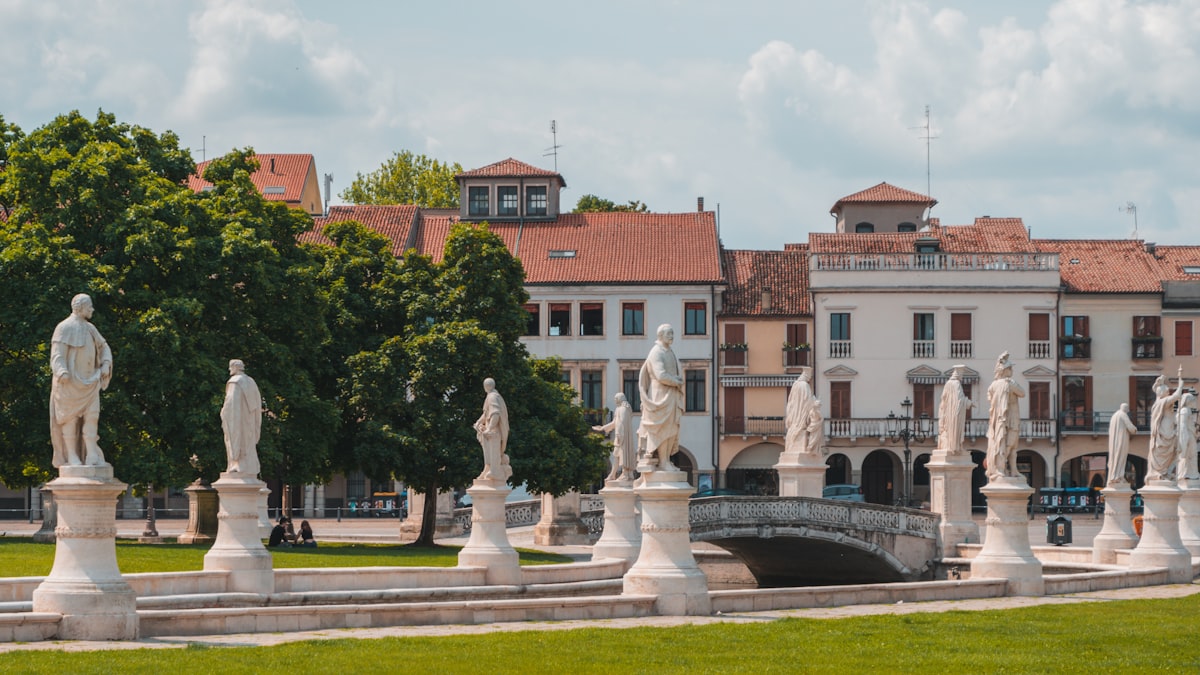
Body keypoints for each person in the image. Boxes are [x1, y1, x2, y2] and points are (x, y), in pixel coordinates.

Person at [49, 293, 113, 468]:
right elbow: (57, 355)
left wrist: (106, 363)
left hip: (90, 382)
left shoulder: (90, 328)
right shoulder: (64, 328)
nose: (92, 309)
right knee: (69, 419)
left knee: (92, 417)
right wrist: (61, 371)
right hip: (69, 384)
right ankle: (72, 456)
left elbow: (104, 346)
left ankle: (92, 454)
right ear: (81, 307)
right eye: (89, 306)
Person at [638, 324, 685, 470]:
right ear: (660, 335)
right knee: (661, 428)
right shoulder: (656, 352)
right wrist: (676, 381)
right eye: (668, 333)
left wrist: (676, 382)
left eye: (672, 333)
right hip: (660, 395)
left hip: (671, 395)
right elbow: (660, 375)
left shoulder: (669, 351)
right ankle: (663, 462)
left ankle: (666, 460)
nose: (671, 336)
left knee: (671, 427)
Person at [985, 351, 1025, 482]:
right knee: (1010, 444)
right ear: (1005, 370)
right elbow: (1022, 393)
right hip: (1010, 417)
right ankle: (1000, 468)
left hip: (999, 419)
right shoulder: (1009, 383)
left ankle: (1011, 470)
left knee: (1009, 444)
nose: (1012, 370)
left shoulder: (993, 385)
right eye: (1010, 368)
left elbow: (989, 398)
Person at [220, 359, 263, 475]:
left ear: (234, 367)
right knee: (248, 444)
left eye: (230, 367)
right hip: (249, 422)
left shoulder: (235, 382)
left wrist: (223, 412)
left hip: (238, 422)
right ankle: (248, 465)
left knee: (237, 443)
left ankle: (237, 464)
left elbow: (231, 405)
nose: (229, 369)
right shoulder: (251, 382)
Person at [1147, 368, 1185, 481]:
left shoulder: (1158, 402)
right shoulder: (1163, 402)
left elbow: (1157, 391)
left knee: (1168, 452)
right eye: (1167, 391)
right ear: (1163, 393)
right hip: (1165, 431)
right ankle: (1160, 472)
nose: (1168, 392)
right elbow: (1177, 395)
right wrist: (1181, 384)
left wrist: (1159, 383)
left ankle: (1163, 472)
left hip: (1166, 430)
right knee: (1164, 451)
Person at [473, 378, 511, 481]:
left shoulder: (492, 397)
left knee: (494, 452)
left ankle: (494, 472)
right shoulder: (492, 396)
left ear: (485, 387)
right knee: (488, 453)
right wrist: (479, 422)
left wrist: (489, 428)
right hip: (490, 432)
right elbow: (486, 414)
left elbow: (495, 413)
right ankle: (488, 469)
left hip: (493, 432)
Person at [593, 392, 635, 480]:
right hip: (619, 435)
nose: (615, 401)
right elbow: (614, 423)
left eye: (616, 399)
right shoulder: (619, 409)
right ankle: (613, 474)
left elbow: (621, 423)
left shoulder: (623, 409)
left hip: (622, 436)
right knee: (616, 455)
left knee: (621, 454)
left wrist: (619, 435)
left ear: (620, 398)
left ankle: (625, 473)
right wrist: (602, 428)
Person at [937, 365, 973, 455]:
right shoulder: (956, 384)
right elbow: (959, 400)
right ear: (958, 373)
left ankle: (952, 445)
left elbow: (943, 399)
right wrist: (968, 402)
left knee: (949, 431)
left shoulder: (948, 383)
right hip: (954, 414)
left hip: (947, 414)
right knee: (954, 431)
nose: (962, 376)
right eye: (962, 374)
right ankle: (955, 446)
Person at [1107, 403, 1137, 487]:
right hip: (1121, 440)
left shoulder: (1114, 416)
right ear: (1125, 409)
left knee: (1115, 457)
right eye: (1127, 409)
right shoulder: (1123, 415)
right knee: (1121, 457)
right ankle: (1118, 476)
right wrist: (1135, 430)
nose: (1128, 410)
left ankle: (1115, 476)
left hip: (1114, 442)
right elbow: (1130, 427)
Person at [1176, 390, 1199, 481]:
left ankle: (1192, 473)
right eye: (1193, 400)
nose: (1194, 402)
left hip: (1190, 434)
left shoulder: (1187, 410)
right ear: (1188, 401)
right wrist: (1185, 439)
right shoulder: (1185, 410)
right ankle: (1187, 473)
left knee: (1192, 454)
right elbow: (1183, 425)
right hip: (1187, 435)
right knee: (1189, 455)